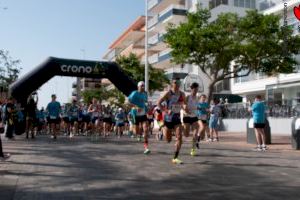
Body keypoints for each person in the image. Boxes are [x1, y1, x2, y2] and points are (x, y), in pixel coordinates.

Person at [157, 78, 185, 164]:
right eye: (175, 82)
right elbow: (158, 103)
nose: (177, 84)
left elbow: (183, 104)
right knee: (168, 140)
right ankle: (162, 130)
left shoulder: (182, 94)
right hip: (168, 119)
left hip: (176, 118)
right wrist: (165, 110)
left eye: (178, 82)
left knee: (179, 136)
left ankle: (175, 157)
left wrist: (185, 109)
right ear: (172, 84)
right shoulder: (168, 93)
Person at [128, 81, 150, 155]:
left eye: (144, 86)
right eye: (141, 86)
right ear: (138, 87)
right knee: (136, 132)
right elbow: (128, 102)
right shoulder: (134, 93)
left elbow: (146, 102)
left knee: (146, 130)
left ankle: (146, 148)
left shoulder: (145, 94)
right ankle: (136, 134)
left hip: (143, 114)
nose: (143, 87)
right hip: (135, 114)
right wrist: (135, 107)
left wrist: (147, 107)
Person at [183, 82, 200, 156]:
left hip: (194, 117)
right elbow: (183, 105)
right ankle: (180, 130)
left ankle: (193, 149)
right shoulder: (187, 97)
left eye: (197, 89)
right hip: (186, 116)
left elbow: (196, 106)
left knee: (195, 133)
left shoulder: (197, 98)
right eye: (195, 89)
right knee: (186, 134)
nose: (196, 91)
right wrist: (185, 109)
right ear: (191, 89)